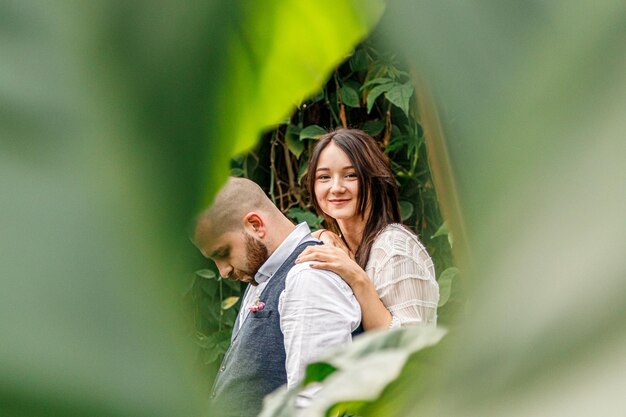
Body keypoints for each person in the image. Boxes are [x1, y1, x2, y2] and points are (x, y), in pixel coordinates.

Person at [193, 177, 360, 417]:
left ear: (255, 224)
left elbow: (316, 403)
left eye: (223, 252)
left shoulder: (309, 277)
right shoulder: (261, 275)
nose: (223, 271)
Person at [296, 128, 439, 330]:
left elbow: (410, 347)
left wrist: (358, 279)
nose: (336, 187)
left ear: (373, 181)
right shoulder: (339, 244)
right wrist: (323, 234)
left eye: (351, 175)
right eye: (324, 177)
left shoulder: (394, 248)